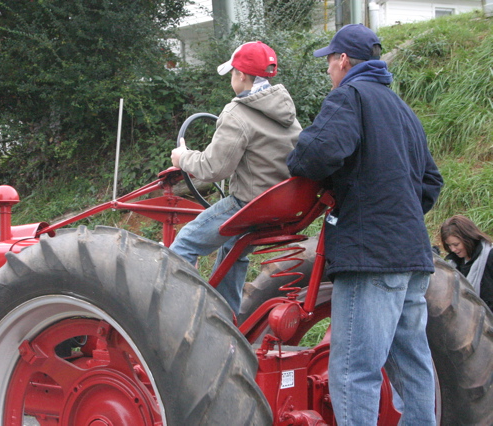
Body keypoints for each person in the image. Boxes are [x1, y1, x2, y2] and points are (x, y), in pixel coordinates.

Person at [286, 24, 443, 425]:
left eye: (329, 63)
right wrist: (396, 209)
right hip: (412, 258)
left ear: (342, 61)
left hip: (369, 257)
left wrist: (362, 205)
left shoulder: (350, 97)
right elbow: (431, 182)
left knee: (355, 371)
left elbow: (314, 156)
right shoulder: (403, 109)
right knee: (413, 367)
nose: (328, 72)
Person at [169, 41, 301, 314]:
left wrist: (183, 158)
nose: (232, 79)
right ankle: (224, 316)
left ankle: (182, 315)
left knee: (183, 244)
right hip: (283, 203)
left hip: (251, 204)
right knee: (233, 248)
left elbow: (215, 168)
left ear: (241, 75)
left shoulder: (238, 112)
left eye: (232, 73)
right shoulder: (285, 110)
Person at [441, 215, 493, 310]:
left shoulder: (490, 256)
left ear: (468, 238)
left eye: (456, 244)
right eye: (449, 246)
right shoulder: (454, 264)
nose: (453, 249)